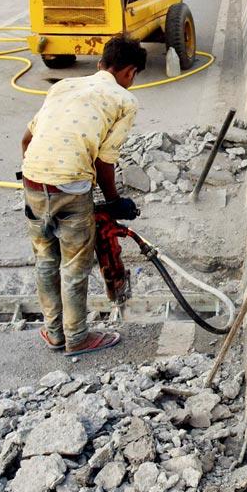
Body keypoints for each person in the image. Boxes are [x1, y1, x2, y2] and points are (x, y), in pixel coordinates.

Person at [20, 35, 147, 357]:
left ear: (102, 62)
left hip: (33, 179)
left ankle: (54, 332)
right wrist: (114, 200)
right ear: (130, 72)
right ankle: (76, 338)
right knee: (75, 267)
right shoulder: (123, 100)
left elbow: (27, 139)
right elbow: (105, 159)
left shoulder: (62, 86)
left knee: (46, 261)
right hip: (71, 186)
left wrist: (38, 175)